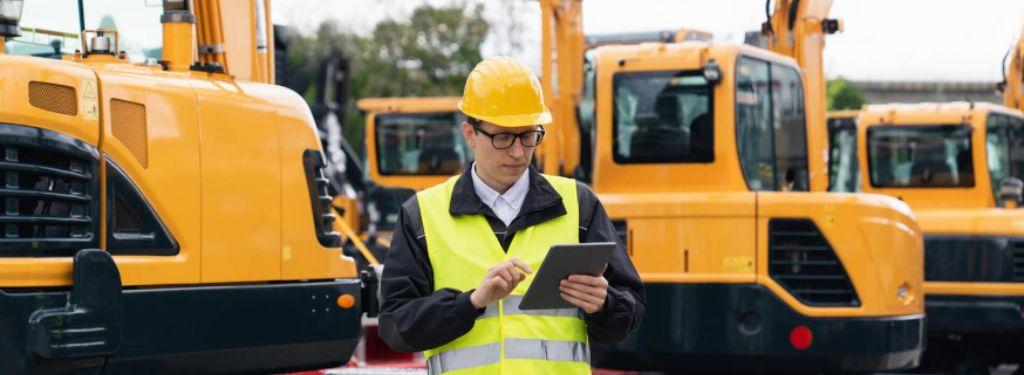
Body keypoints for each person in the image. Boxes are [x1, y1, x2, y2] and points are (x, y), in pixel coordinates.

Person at [378, 56, 644, 375]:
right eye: (503, 137)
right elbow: (396, 325)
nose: (518, 152)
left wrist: (604, 304)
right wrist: (471, 303)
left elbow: (629, 312)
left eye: (529, 136)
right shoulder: (422, 215)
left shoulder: (579, 205)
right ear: (470, 133)